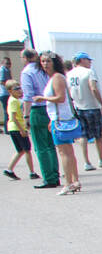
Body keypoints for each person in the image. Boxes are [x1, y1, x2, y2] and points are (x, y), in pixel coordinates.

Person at [34, 52, 82, 195]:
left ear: (55, 62)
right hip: (59, 118)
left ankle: (68, 183)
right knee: (67, 151)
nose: (45, 64)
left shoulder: (57, 78)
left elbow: (61, 98)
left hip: (61, 120)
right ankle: (74, 180)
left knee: (64, 152)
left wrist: (42, 98)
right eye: (43, 61)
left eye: (48, 61)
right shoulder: (55, 78)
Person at [67, 53, 102, 171]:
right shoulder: (89, 72)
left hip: (78, 107)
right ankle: (101, 158)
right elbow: (93, 88)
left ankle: (87, 161)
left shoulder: (69, 74)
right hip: (91, 106)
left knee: (83, 134)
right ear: (82, 60)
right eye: (88, 60)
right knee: (97, 134)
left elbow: (69, 91)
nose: (90, 62)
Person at [22, 49, 59, 188]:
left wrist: (26, 115)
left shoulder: (27, 72)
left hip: (37, 109)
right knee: (51, 145)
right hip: (49, 107)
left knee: (41, 146)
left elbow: (28, 96)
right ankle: (54, 175)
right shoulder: (44, 71)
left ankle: (48, 178)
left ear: (26, 58)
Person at [5, 79, 37, 180]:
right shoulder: (13, 101)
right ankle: (32, 172)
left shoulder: (15, 100)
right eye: (16, 89)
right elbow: (14, 117)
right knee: (27, 149)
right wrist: (22, 129)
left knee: (21, 150)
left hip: (13, 128)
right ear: (10, 91)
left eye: (20, 88)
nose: (20, 91)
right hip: (16, 128)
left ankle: (9, 169)